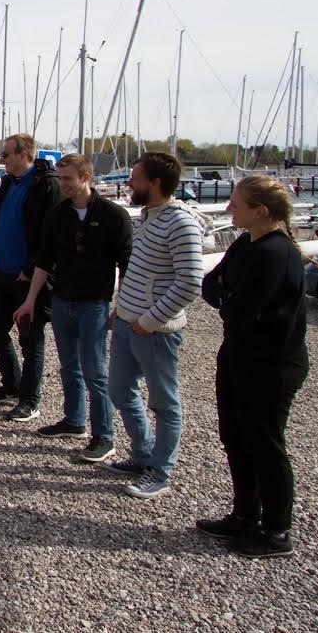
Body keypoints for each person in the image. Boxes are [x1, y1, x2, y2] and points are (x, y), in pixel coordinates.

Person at [199, 176, 308, 558]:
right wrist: (228, 294)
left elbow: (239, 309)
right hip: (238, 355)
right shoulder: (247, 243)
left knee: (265, 442)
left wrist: (229, 297)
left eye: (236, 203)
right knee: (235, 435)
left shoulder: (277, 253)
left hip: (271, 364)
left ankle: (277, 531)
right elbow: (211, 285)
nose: (229, 209)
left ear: (260, 211)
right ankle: (245, 514)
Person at [13, 154, 133, 461]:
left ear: (86, 177)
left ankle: (104, 435)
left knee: (95, 370)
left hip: (94, 302)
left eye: (67, 178)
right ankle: (75, 420)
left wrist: (122, 304)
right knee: (69, 365)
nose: (62, 184)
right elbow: (44, 260)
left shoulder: (113, 215)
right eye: (60, 178)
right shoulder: (58, 214)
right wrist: (29, 300)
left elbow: (126, 265)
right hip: (62, 299)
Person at [106, 152, 205, 500]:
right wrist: (121, 309)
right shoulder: (148, 217)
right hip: (127, 324)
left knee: (164, 402)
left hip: (156, 331)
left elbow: (191, 281)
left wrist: (150, 320)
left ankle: (160, 470)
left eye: (136, 176)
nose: (130, 182)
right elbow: (137, 272)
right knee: (119, 390)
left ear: (156, 182)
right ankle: (143, 453)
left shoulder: (181, 222)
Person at [0, 134, 61, 420]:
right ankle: (12, 383)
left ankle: (30, 398)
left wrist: (32, 268)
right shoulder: (7, 185)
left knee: (31, 339)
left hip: (28, 276)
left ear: (24, 154)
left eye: (6, 155)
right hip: (0, 271)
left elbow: (49, 234)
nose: (2, 160)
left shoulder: (46, 185)